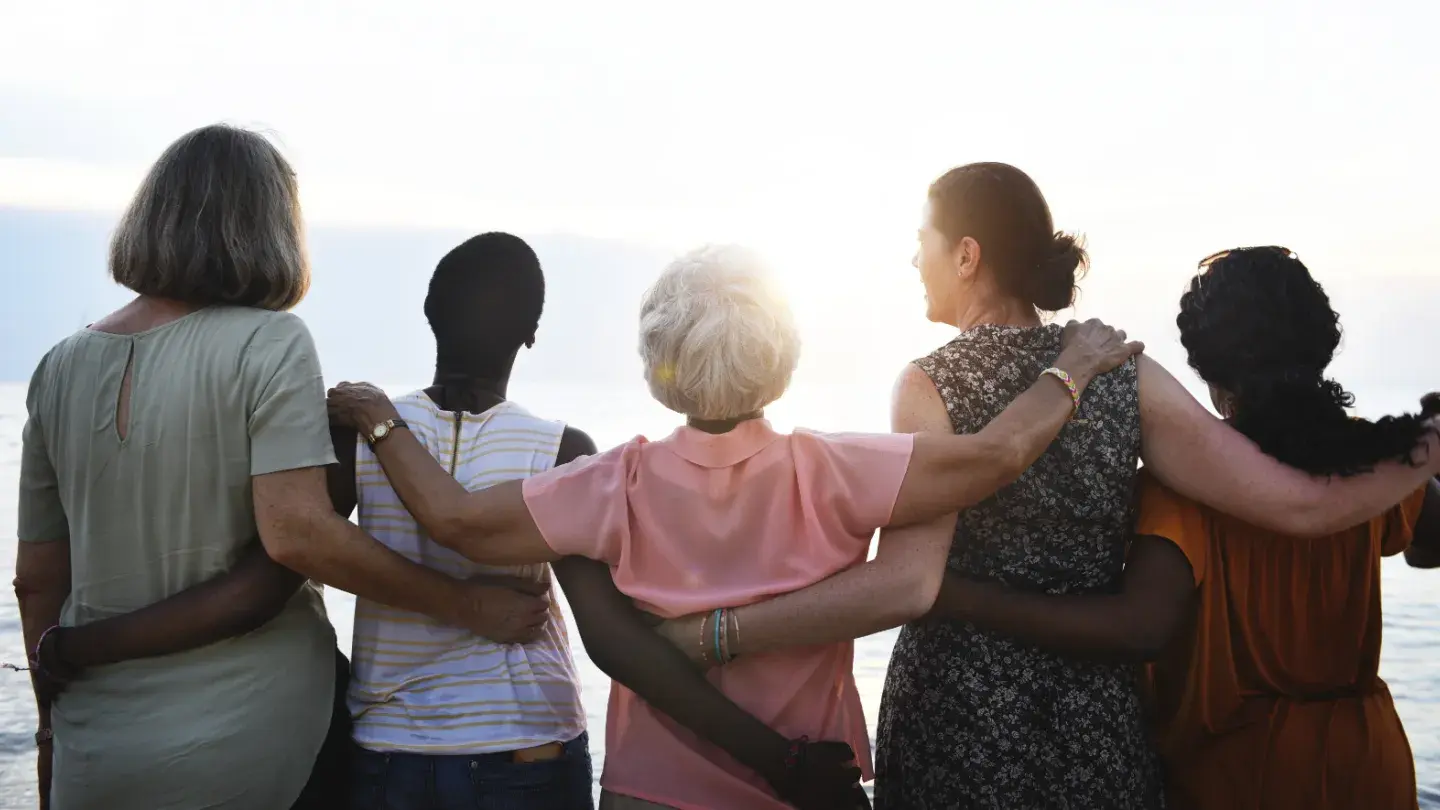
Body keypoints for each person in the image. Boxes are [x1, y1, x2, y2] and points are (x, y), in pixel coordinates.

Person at [638, 166, 1440, 809]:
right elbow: (1296, 502)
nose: (911, 259)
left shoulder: (928, 383)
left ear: (967, 254)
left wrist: (718, 633)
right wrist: (1424, 446)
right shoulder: (1126, 371)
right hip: (1094, 720)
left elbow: (913, 581)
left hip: (959, 713)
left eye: (922, 239)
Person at [324, 241, 1149, 809]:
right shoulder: (838, 470)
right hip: (808, 785)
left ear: (657, 359)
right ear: (781, 351)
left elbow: (455, 520)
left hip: (650, 790)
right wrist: (1069, 367)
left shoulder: (614, 482)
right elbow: (1000, 455)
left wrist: (380, 421)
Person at [13, 124, 571, 810]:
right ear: (270, 227)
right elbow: (297, 537)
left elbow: (36, 583)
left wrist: (51, 734)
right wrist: (465, 604)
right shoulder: (269, 342)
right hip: (259, 739)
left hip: (98, 751)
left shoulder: (57, 367)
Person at [917, 246, 1439, 810]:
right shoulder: (1374, 463)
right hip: (1369, 765)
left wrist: (960, 597)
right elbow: (1429, 547)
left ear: (1208, 370)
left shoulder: (1186, 487)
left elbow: (1140, 627)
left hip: (1239, 774)